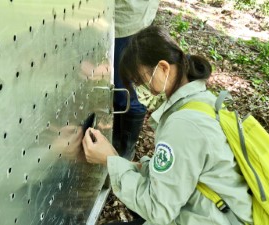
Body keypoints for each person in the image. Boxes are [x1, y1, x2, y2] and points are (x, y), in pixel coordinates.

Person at [82, 26, 253, 225]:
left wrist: (110, 160)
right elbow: (176, 175)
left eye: (141, 81)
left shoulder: (184, 125)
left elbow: (158, 211)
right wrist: (119, 162)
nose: (141, 91)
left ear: (163, 68)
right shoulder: (202, 101)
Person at [113, 0, 160, 160]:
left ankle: (125, 148)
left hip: (128, 19)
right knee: (115, 84)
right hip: (109, 16)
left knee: (127, 90)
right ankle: (116, 139)